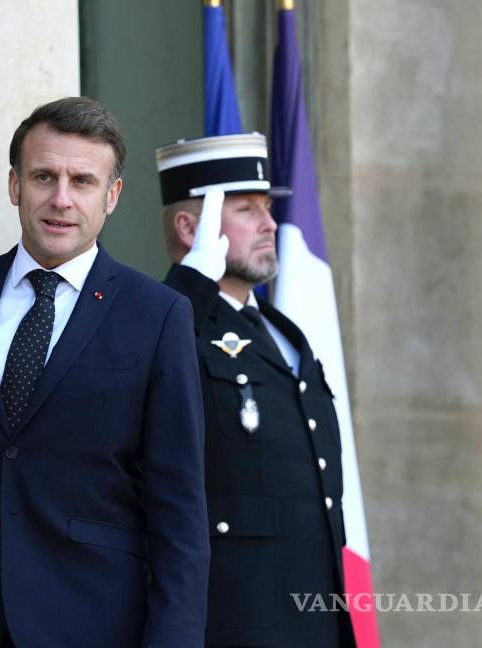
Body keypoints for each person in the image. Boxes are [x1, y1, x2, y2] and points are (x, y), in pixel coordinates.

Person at [0, 97, 209, 648]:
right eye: (44, 176)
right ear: (14, 184)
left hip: (96, 621)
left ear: (112, 196)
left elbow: (180, 506)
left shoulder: (158, 314)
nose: (61, 199)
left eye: (83, 181)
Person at [159, 133, 356, 647]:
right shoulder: (172, 324)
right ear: (190, 227)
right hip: (238, 622)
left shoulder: (281, 330)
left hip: (315, 617)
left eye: (268, 208)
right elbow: (136, 370)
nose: (270, 224)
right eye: (247, 210)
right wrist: (189, 285)